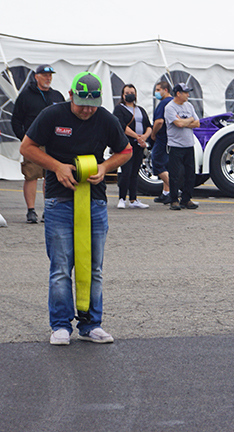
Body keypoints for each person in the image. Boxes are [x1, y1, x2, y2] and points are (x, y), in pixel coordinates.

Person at [19, 71, 131, 345]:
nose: (87, 110)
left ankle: (91, 324)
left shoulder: (106, 119)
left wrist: (104, 167)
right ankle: (60, 325)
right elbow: (27, 147)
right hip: (59, 201)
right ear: (71, 95)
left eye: (92, 105)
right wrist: (57, 166)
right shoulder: (52, 115)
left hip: (95, 201)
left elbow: (126, 150)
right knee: (61, 266)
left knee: (94, 267)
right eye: (82, 104)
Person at [11, 64, 65, 224]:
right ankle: (31, 210)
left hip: (54, 143)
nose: (48, 78)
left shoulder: (57, 96)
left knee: (51, 176)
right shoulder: (26, 96)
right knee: (31, 175)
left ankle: (49, 209)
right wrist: (24, 139)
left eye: (50, 75)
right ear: (36, 77)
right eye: (45, 75)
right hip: (34, 143)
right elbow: (16, 120)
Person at [112, 84, 152, 209]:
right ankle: (122, 198)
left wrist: (144, 137)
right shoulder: (119, 109)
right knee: (126, 171)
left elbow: (148, 125)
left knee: (135, 172)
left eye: (132, 93)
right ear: (123, 95)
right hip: (127, 144)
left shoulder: (140, 109)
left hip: (139, 145)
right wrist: (136, 136)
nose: (130, 95)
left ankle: (133, 199)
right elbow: (121, 126)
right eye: (127, 93)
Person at [165, 83, 200, 210]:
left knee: (190, 174)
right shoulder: (170, 107)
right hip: (175, 145)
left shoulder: (189, 106)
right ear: (178, 93)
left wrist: (185, 121)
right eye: (185, 93)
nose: (188, 95)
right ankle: (174, 200)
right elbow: (178, 124)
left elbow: (197, 123)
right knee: (175, 174)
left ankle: (186, 199)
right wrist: (189, 120)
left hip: (189, 144)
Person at [150, 81, 173, 204]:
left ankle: (174, 190)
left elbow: (159, 121)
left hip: (162, 137)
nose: (157, 92)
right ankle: (166, 193)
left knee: (157, 164)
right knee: (166, 166)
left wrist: (153, 134)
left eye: (159, 90)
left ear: (166, 90)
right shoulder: (174, 102)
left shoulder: (163, 103)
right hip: (172, 138)